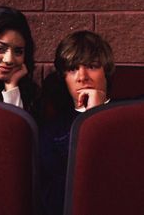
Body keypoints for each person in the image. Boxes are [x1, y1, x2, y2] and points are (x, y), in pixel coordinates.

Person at [39, 30, 115, 215]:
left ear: (106, 71)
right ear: (64, 79)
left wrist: (98, 116)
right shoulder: (52, 132)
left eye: (92, 66)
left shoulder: (131, 115)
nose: (82, 76)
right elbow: (54, 195)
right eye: (73, 69)